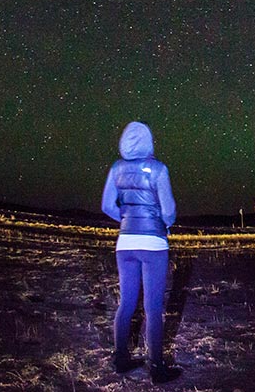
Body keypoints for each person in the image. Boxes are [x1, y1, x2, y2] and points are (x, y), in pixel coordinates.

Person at [101, 121, 181, 384]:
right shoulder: (158, 169)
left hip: (125, 244)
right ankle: (156, 367)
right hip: (154, 244)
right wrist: (162, 223)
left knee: (126, 304)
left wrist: (126, 217)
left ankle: (121, 359)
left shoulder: (116, 168)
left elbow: (106, 206)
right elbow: (168, 211)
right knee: (153, 307)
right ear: (149, 141)